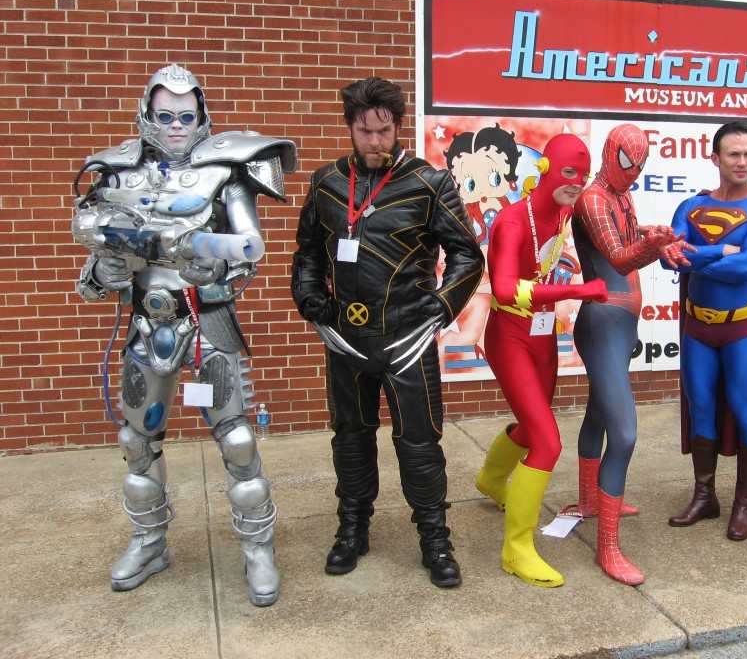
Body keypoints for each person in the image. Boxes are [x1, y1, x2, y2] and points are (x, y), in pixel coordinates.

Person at [72, 63, 295, 606]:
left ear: (202, 116)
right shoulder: (116, 174)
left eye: (186, 116)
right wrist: (107, 272)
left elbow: (249, 252)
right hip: (149, 325)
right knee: (137, 442)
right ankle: (149, 541)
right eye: (165, 115)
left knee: (237, 440)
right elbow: (93, 269)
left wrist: (213, 269)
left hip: (208, 323)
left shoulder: (226, 170)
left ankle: (257, 548)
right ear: (147, 114)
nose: (175, 126)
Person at [292, 77, 484, 588]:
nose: (375, 141)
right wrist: (310, 301)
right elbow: (307, 251)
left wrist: (441, 307)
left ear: (397, 126)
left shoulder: (428, 181)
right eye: (364, 131)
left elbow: (468, 254)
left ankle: (435, 540)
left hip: (407, 339)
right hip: (346, 340)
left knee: (420, 443)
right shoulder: (327, 182)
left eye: (384, 130)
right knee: (350, 439)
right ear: (350, 128)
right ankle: (352, 530)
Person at [475, 133, 608, 588]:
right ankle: (517, 549)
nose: (577, 181)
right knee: (548, 443)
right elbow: (507, 289)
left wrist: (650, 243)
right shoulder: (513, 222)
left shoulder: (567, 214)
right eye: (570, 171)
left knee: (534, 427)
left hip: (542, 334)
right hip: (510, 334)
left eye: (583, 174)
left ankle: (493, 479)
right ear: (548, 168)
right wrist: (576, 290)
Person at [562, 123, 687, 584]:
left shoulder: (620, 194)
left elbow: (632, 244)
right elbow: (618, 257)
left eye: (641, 165)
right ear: (611, 153)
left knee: (599, 412)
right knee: (625, 432)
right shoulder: (594, 199)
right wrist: (654, 246)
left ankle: (591, 501)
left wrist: (662, 244)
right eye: (628, 162)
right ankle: (608, 548)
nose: (634, 173)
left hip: (619, 322)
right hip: (603, 323)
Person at [664, 121, 747, 542]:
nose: (743, 162)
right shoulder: (691, 205)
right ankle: (705, 497)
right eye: (734, 154)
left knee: (744, 410)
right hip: (698, 327)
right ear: (715, 158)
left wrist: (696, 257)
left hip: (742, 330)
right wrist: (720, 250)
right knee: (701, 407)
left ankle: (743, 505)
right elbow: (669, 259)